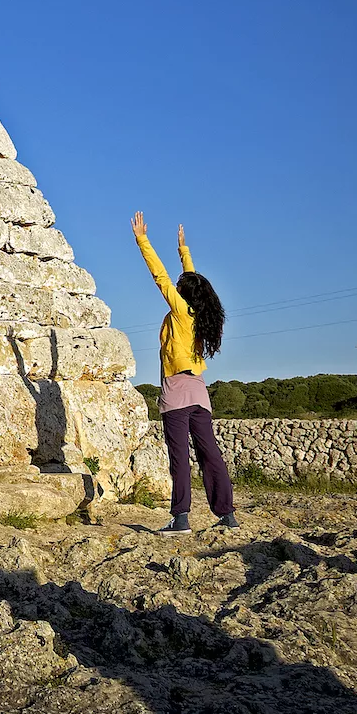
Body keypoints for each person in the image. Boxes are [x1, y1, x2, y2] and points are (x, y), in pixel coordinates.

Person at [131, 212, 238, 534]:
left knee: (179, 457)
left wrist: (142, 239)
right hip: (199, 391)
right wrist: (184, 251)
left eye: (180, 289)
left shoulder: (179, 311)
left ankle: (180, 518)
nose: (176, 290)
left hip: (176, 390)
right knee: (210, 454)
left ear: (183, 295)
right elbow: (189, 281)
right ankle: (227, 515)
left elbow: (160, 277)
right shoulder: (199, 313)